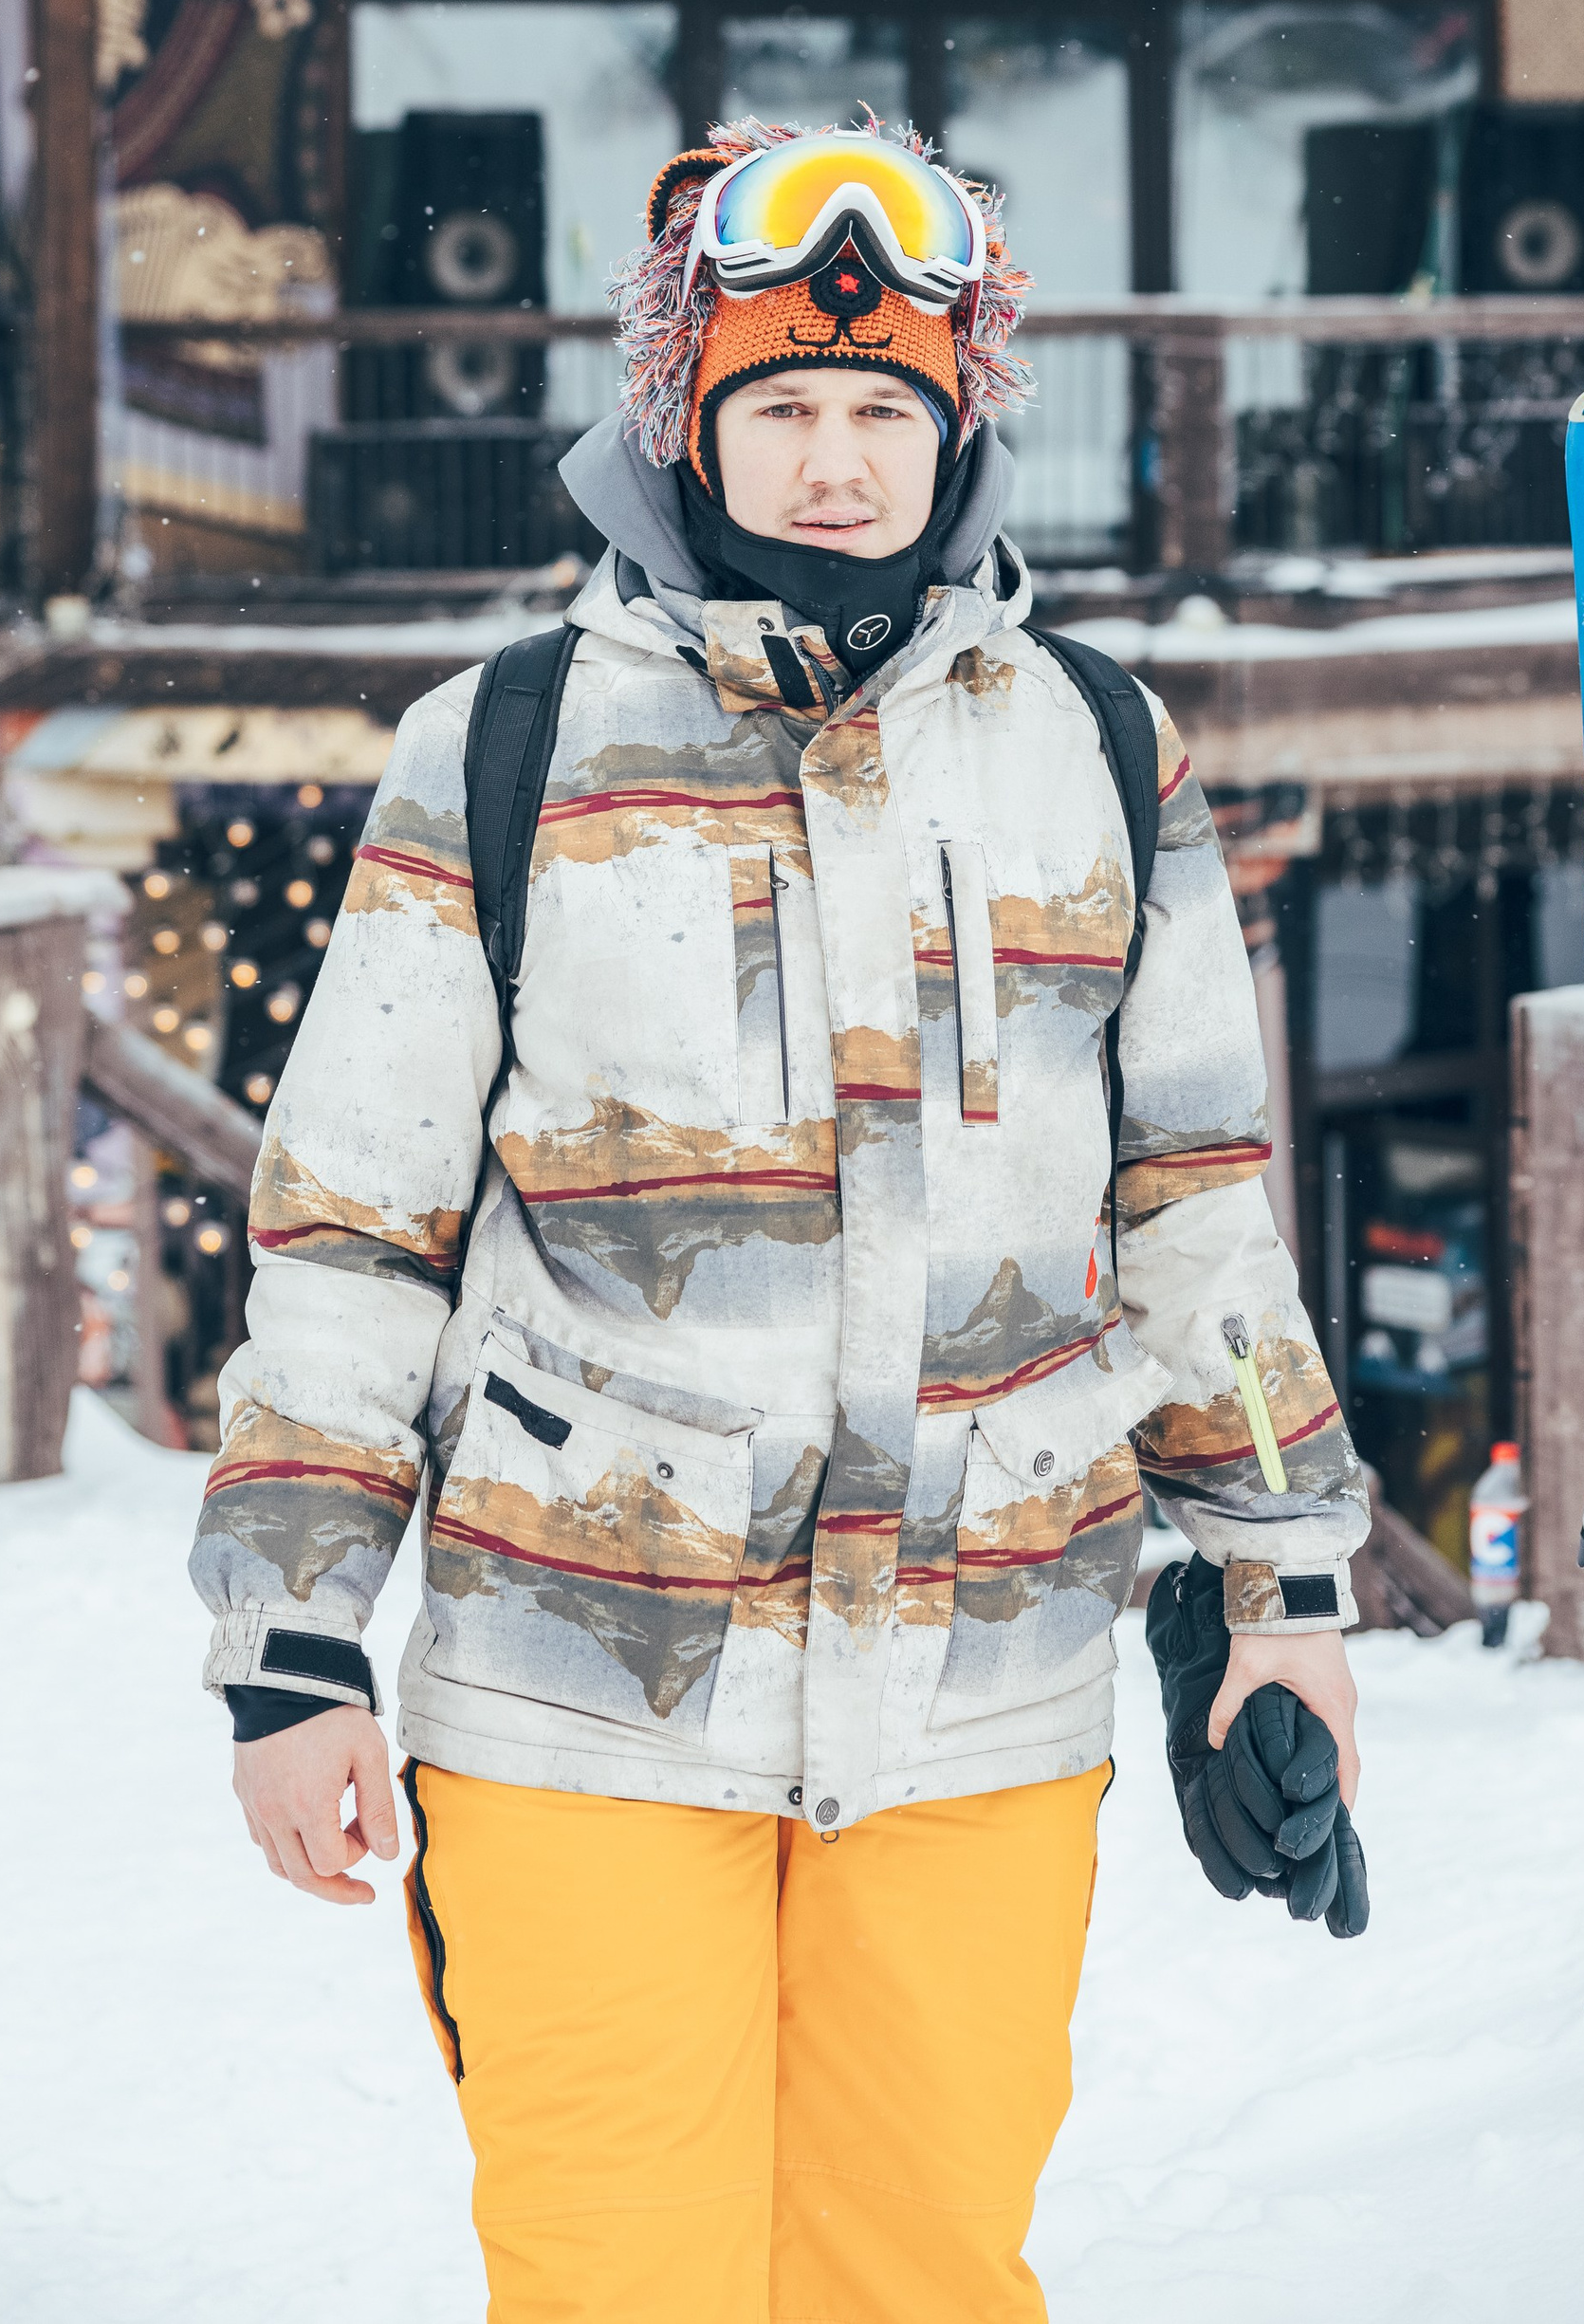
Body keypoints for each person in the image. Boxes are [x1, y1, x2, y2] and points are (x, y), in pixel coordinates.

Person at [191, 119, 1372, 2324]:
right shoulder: (503, 747)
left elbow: (1194, 1205)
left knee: (921, 2272)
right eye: (779, 408)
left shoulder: (1099, 749)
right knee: (620, 2273)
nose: (833, 461)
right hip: (580, 1674)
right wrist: (286, 1636)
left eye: (879, 410)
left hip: (980, 1678)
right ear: (685, 420)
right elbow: (350, 1225)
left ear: (956, 424)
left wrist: (1277, 1587)